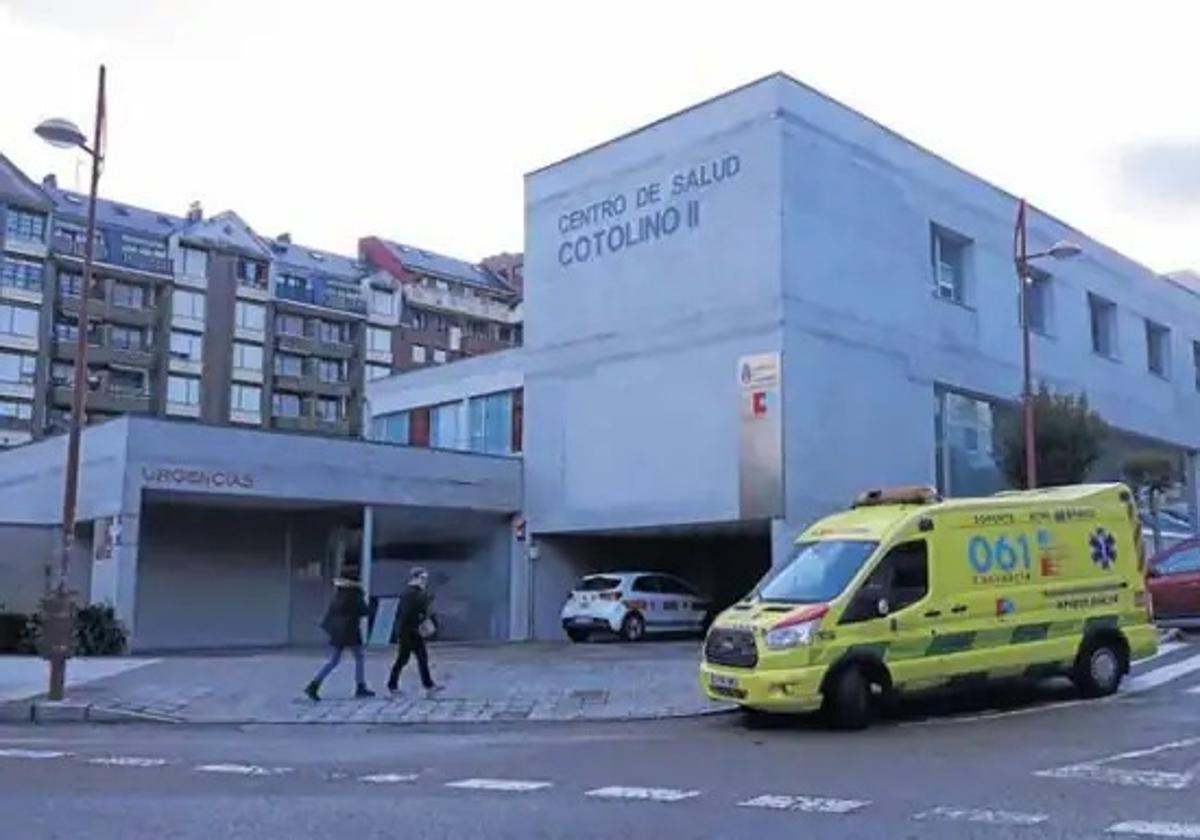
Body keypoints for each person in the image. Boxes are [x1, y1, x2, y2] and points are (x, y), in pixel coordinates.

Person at [305, 572, 375, 701]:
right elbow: (364, 611)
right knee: (359, 657)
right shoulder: (354, 593)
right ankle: (360, 686)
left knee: (333, 661)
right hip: (351, 631)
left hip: (339, 632)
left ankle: (314, 684)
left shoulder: (339, 593)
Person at [387, 567, 443, 696]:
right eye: (422, 578)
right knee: (404, 659)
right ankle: (393, 684)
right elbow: (408, 613)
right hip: (408, 631)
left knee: (417, 658)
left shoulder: (414, 592)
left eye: (425, 578)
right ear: (415, 578)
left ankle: (427, 684)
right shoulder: (411, 593)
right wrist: (421, 616)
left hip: (411, 631)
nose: (424, 581)